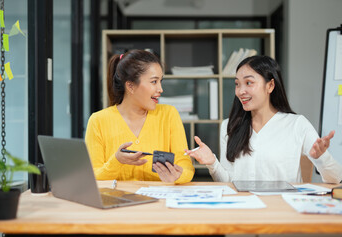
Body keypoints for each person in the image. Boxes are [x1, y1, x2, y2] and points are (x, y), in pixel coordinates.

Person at [185, 55, 342, 183]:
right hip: (245, 212)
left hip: (284, 212)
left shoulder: (296, 124)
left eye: (249, 83)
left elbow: (336, 178)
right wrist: (212, 163)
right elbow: (229, 184)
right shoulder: (229, 126)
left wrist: (320, 157)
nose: (240, 91)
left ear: (270, 86)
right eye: (237, 84)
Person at [85, 49, 194, 184]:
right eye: (154, 82)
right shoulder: (98, 121)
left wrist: (178, 176)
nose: (160, 89)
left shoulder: (169, 114)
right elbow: (92, 175)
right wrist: (116, 161)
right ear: (130, 86)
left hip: (160, 200)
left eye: (161, 81)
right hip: (119, 202)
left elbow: (185, 165)